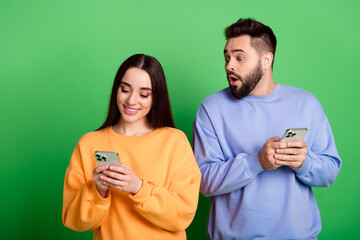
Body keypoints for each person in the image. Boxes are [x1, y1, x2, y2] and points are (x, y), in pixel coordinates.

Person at [193, 18, 341, 240]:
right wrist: (257, 162)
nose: (229, 65)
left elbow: (330, 172)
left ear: (266, 59)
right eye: (227, 57)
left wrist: (304, 163)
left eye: (239, 57)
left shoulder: (306, 104)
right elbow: (203, 181)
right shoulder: (211, 109)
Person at [62, 54, 201, 240]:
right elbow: (74, 220)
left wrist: (138, 187)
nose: (132, 101)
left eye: (144, 94)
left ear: (156, 97)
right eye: (125, 90)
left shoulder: (174, 141)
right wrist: (99, 190)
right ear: (116, 90)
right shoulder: (89, 144)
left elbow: (182, 215)